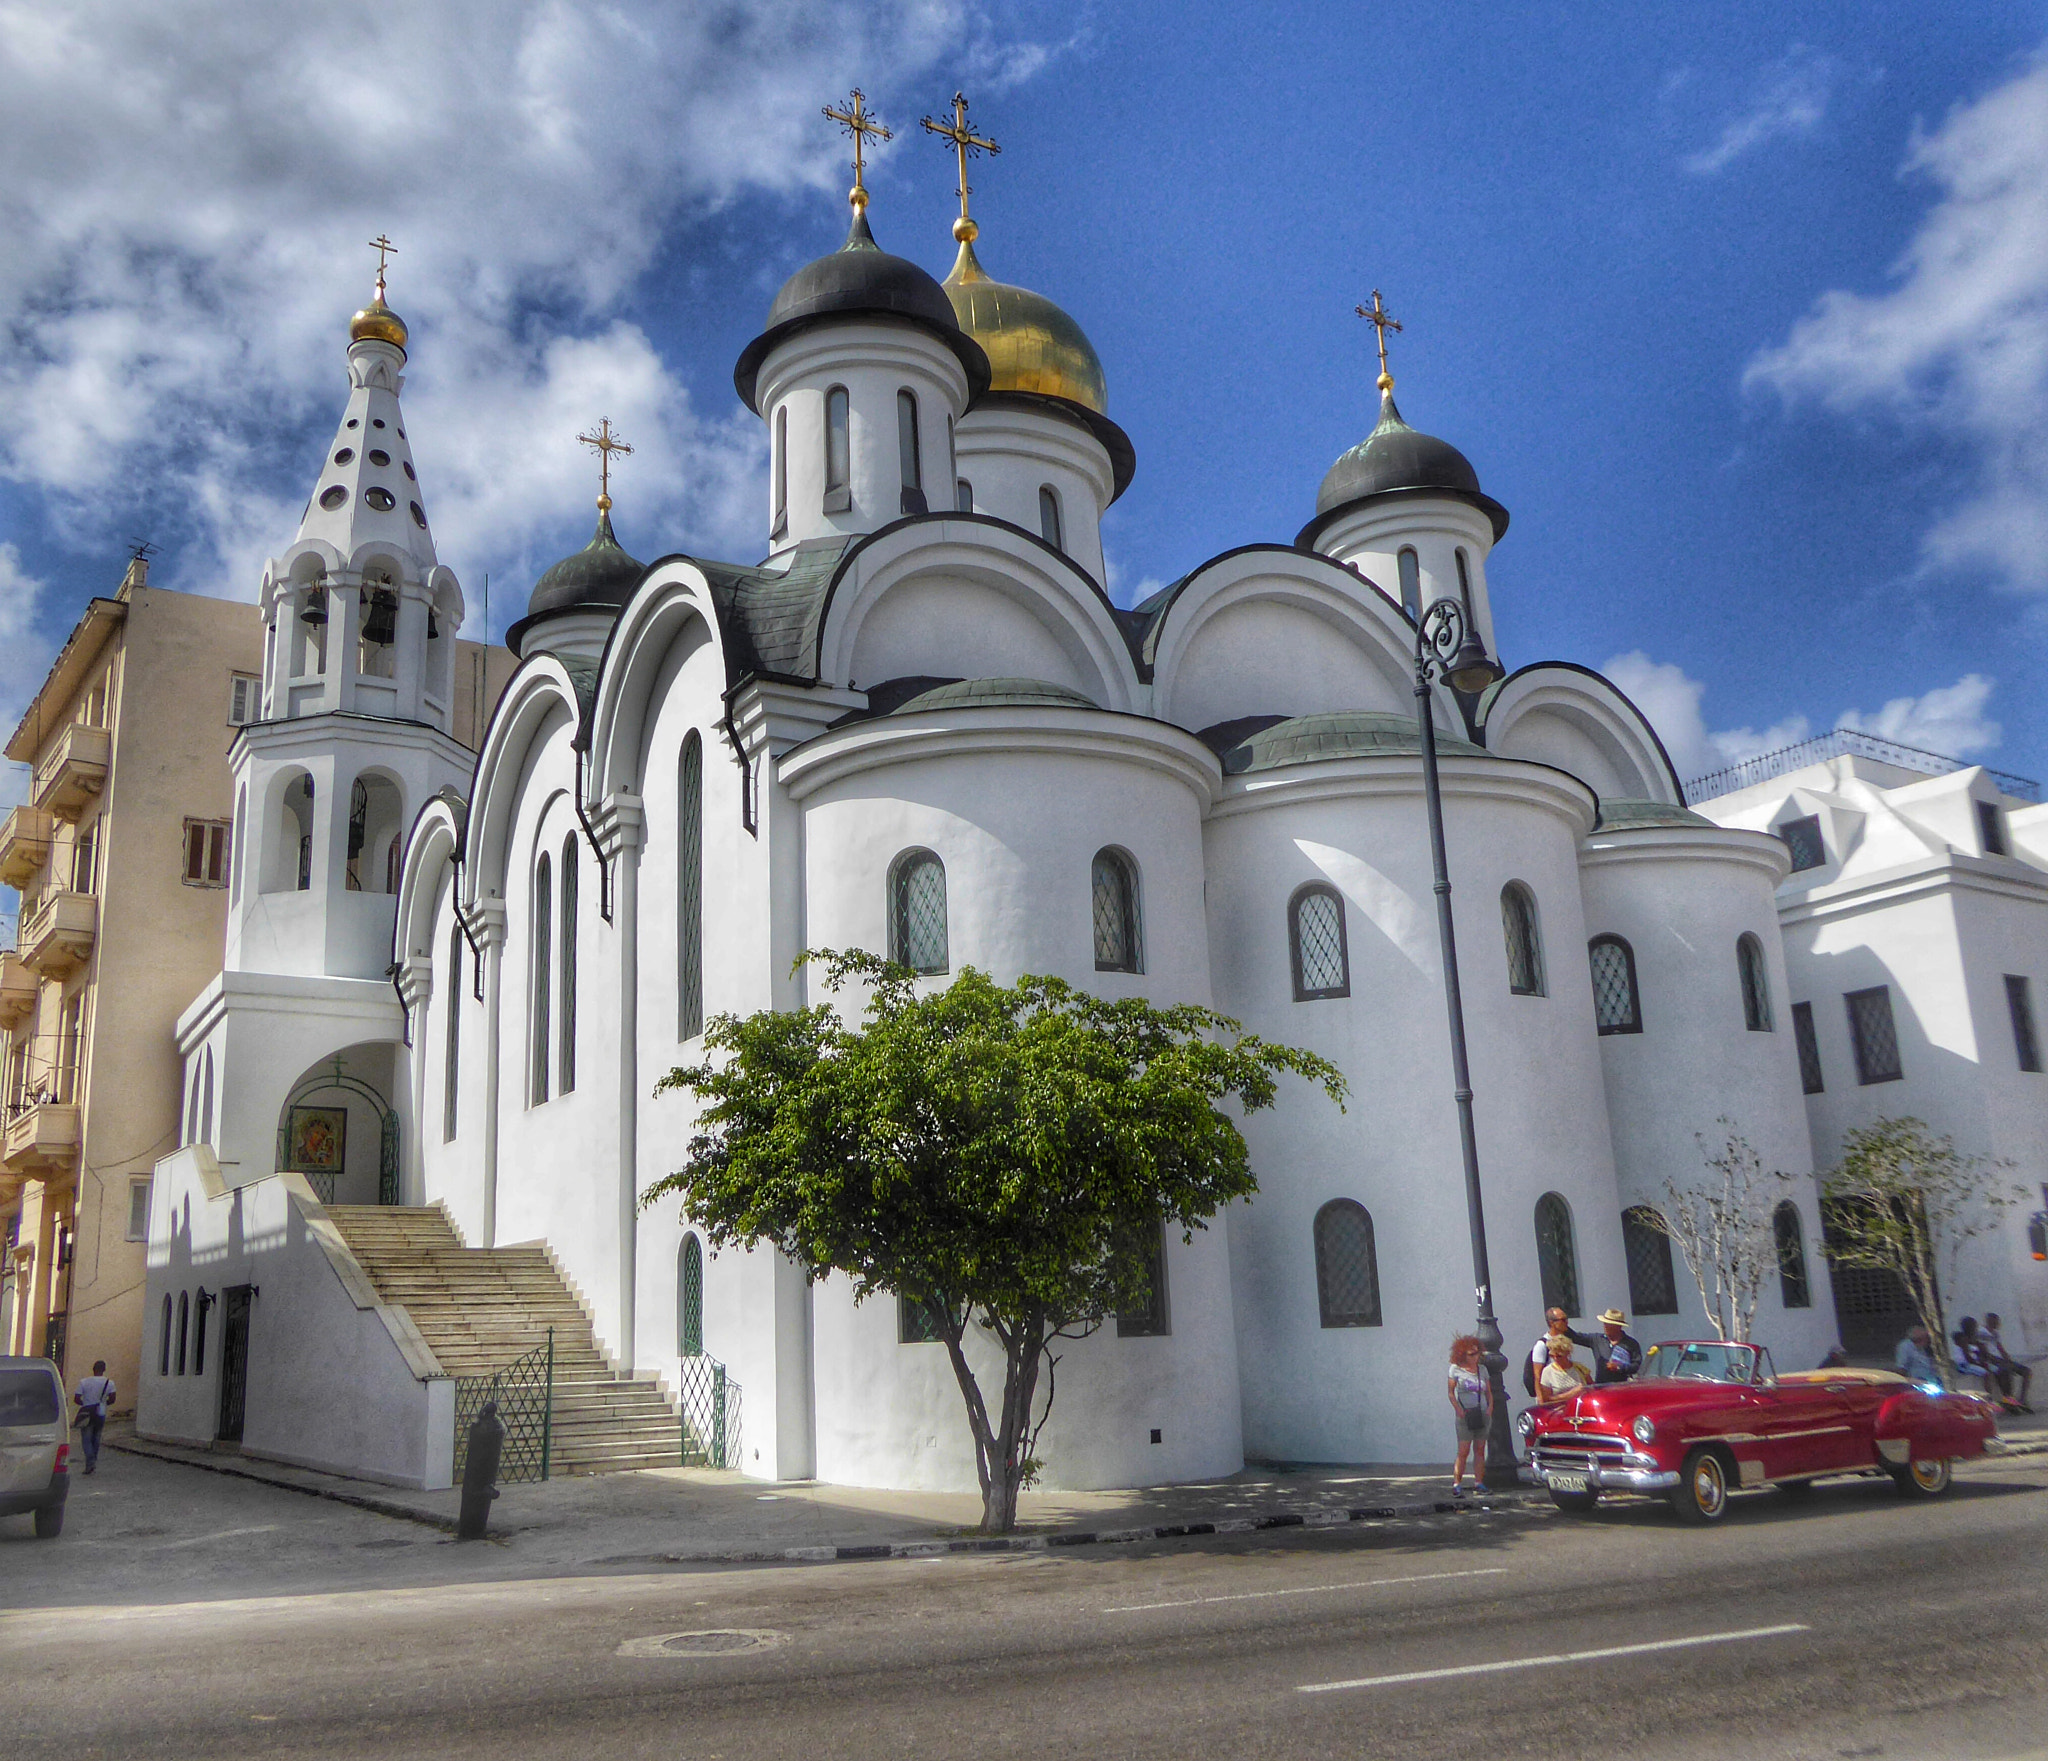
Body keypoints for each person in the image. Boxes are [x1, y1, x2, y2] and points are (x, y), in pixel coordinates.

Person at [1446, 1334, 1492, 1498]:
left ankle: (1478, 1482)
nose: (1475, 1357)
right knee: (1463, 1451)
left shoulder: (1483, 1370)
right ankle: (1457, 1483)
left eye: (1477, 1353)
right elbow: (1451, 1393)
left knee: (1480, 1449)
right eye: (1471, 1354)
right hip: (1465, 1415)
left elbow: (1488, 1392)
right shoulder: (1455, 1369)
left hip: (1482, 1414)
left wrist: (1490, 1408)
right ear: (1462, 1354)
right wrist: (1458, 1409)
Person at [1524, 1306, 1599, 1396]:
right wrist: (1541, 1401)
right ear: (1552, 1323)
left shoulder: (1566, 1340)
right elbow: (1537, 1376)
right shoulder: (1541, 1345)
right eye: (1563, 1320)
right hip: (1552, 1394)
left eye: (1566, 1319)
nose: (1567, 1322)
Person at [1982, 1313, 2034, 1412]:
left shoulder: (1995, 1333)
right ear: (1990, 1321)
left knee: (2027, 1371)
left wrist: (2009, 1360)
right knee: (2005, 1372)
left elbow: (2000, 1348)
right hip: (1992, 1362)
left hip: (2001, 1361)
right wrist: (2001, 1361)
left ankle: (2022, 1400)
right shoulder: (1981, 1332)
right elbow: (1984, 1352)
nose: (1998, 1324)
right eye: (1996, 1321)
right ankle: (2009, 1400)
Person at [72, 1360, 115, 1475]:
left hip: (87, 1412)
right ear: (104, 1369)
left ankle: (89, 1461)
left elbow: (76, 1398)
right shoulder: (109, 1383)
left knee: (86, 1439)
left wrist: (86, 1404)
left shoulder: (84, 1382)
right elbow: (112, 1399)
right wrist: (102, 1404)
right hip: (100, 1412)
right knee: (96, 1438)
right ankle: (93, 1461)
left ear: (93, 1369)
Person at [1593, 1308, 1643, 1383]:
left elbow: (1636, 1366)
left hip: (1623, 1387)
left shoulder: (1631, 1343)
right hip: (1601, 1388)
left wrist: (1618, 1367)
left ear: (1618, 1326)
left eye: (1608, 1324)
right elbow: (1575, 1337)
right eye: (1605, 1323)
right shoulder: (1597, 1339)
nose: (1605, 1326)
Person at [1538, 1338, 1592, 1405]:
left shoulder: (1580, 1369)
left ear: (1568, 1353)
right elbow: (1547, 1400)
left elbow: (1592, 1389)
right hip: (1560, 1410)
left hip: (1580, 1407)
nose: (1555, 1359)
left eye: (1559, 1356)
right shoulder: (1547, 1372)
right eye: (1552, 1356)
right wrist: (1571, 1394)